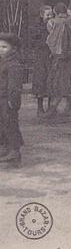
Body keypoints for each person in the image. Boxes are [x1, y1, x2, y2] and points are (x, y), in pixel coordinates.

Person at [45, 3, 71, 118]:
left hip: (61, 57)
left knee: (58, 83)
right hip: (70, 57)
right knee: (69, 83)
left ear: (56, 12)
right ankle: (67, 108)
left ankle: (53, 109)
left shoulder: (56, 22)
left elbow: (52, 40)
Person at [0, 33, 24, 167]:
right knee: (3, 124)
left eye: (4, 47)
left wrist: (13, 100)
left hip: (8, 100)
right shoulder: (3, 61)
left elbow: (14, 84)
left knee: (10, 124)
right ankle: (6, 148)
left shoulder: (13, 63)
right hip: (1, 98)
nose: (1, 50)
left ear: (13, 48)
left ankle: (15, 151)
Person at [32, 4, 53, 117]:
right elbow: (35, 40)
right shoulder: (37, 27)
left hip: (50, 57)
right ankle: (40, 108)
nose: (49, 17)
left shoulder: (53, 25)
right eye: (47, 15)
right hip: (41, 57)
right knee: (40, 81)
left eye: (51, 14)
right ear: (42, 15)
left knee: (50, 80)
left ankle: (50, 108)